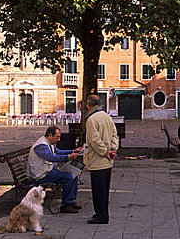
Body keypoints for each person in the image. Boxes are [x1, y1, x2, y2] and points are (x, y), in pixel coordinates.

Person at [26, 125, 83, 213]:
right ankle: (66, 205)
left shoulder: (48, 143)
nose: (59, 140)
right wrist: (68, 157)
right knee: (67, 177)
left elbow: (58, 151)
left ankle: (70, 200)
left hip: (48, 170)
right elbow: (51, 157)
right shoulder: (41, 145)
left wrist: (73, 151)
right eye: (57, 137)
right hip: (41, 175)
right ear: (50, 135)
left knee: (73, 174)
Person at [84, 94, 119, 224]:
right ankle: (101, 212)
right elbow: (115, 135)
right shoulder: (107, 117)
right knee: (104, 190)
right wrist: (113, 150)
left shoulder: (91, 119)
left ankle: (102, 216)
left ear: (89, 105)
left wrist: (105, 152)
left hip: (97, 160)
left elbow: (94, 140)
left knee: (98, 191)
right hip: (108, 161)